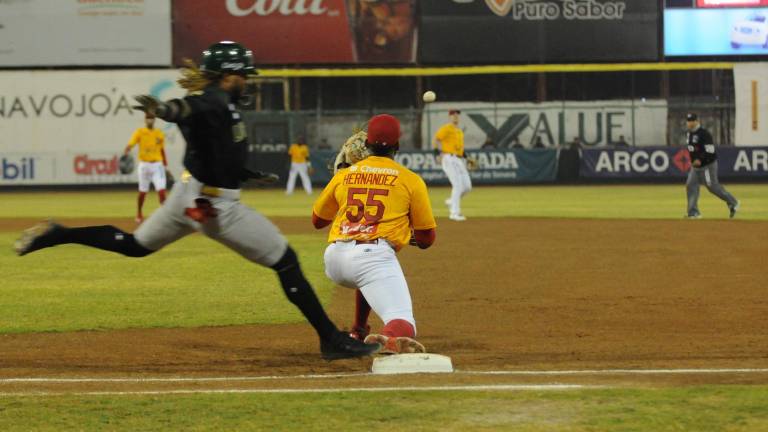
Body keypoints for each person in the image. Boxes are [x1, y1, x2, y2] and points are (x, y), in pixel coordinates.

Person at [13, 41, 380, 361]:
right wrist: (164, 111)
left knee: (135, 245)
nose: (247, 81)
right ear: (228, 75)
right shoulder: (214, 101)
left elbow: (213, 146)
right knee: (286, 260)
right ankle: (330, 340)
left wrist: (246, 173)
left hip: (187, 196)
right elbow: (188, 109)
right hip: (216, 207)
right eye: (243, 75)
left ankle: (60, 234)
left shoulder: (220, 104)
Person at [312, 114, 436, 354]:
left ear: (367, 143)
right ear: (397, 145)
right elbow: (426, 239)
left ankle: (358, 329)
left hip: (334, 259)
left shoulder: (345, 175)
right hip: (371, 258)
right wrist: (402, 233)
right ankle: (388, 339)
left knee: (367, 276)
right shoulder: (410, 180)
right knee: (404, 323)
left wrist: (345, 181)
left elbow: (318, 221)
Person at [684, 113, 740, 219]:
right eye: (688, 121)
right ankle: (693, 212)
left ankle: (733, 202)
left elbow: (710, 150)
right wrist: (693, 160)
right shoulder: (689, 134)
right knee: (690, 185)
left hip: (707, 165)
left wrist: (699, 159)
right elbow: (692, 149)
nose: (689, 123)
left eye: (691, 120)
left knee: (712, 187)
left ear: (696, 121)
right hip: (695, 167)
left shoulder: (704, 134)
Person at [124, 113, 167, 223]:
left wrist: (165, 162)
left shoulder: (159, 133)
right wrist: (127, 149)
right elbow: (132, 143)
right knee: (143, 192)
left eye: (151, 118)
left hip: (157, 165)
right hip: (144, 166)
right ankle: (139, 213)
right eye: (148, 118)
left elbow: (162, 149)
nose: (150, 120)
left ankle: (165, 216)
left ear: (154, 120)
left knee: (162, 192)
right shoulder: (140, 132)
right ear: (145, 120)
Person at [433, 109, 472, 221]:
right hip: (448, 158)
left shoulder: (459, 131)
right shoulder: (446, 128)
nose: (455, 116)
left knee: (467, 187)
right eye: (453, 114)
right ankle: (454, 213)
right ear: (449, 117)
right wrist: (436, 153)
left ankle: (451, 201)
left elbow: (460, 150)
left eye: (457, 114)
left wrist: (467, 158)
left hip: (459, 159)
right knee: (457, 185)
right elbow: (436, 139)